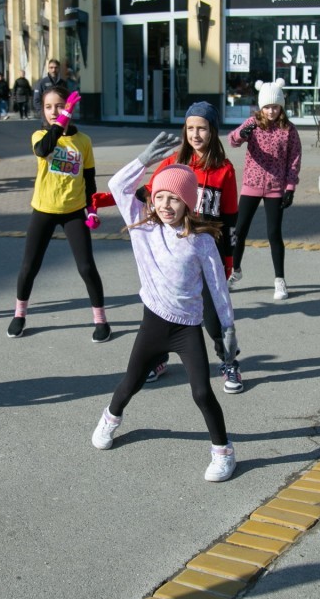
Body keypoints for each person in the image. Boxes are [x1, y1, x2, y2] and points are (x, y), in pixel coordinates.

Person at [91, 132, 240, 483]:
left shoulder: (201, 241)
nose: (165, 204)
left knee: (202, 392)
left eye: (174, 198)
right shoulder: (144, 229)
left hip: (187, 329)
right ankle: (110, 419)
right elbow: (117, 186)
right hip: (153, 324)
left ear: (188, 203)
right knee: (131, 382)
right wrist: (143, 160)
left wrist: (228, 327)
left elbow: (218, 289)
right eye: (159, 196)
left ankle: (224, 452)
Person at [137, 102, 243, 392]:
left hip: (207, 252)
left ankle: (229, 361)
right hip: (173, 251)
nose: (196, 135)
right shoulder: (173, 162)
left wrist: (229, 259)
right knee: (163, 309)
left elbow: (230, 219)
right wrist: (108, 198)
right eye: (191, 128)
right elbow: (147, 192)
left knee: (212, 315)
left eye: (202, 128)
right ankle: (159, 359)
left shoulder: (224, 170)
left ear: (213, 131)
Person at [8, 86, 109, 341]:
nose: (54, 111)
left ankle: (100, 320)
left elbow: (89, 179)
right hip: (44, 209)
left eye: (60, 106)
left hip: (73, 211)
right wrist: (61, 120)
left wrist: (92, 210)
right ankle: (19, 315)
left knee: (86, 267)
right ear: (42, 110)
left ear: (70, 107)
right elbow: (43, 150)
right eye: (48, 107)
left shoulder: (83, 141)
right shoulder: (40, 135)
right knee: (29, 266)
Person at [228, 78, 302, 300]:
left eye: (275, 107)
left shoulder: (288, 130)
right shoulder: (253, 123)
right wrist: (243, 133)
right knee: (239, 231)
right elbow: (232, 141)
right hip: (251, 185)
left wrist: (290, 187)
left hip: (275, 187)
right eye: (267, 107)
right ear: (261, 107)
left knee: (273, 233)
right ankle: (235, 271)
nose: (271, 111)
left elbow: (294, 159)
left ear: (281, 107)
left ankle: (280, 280)